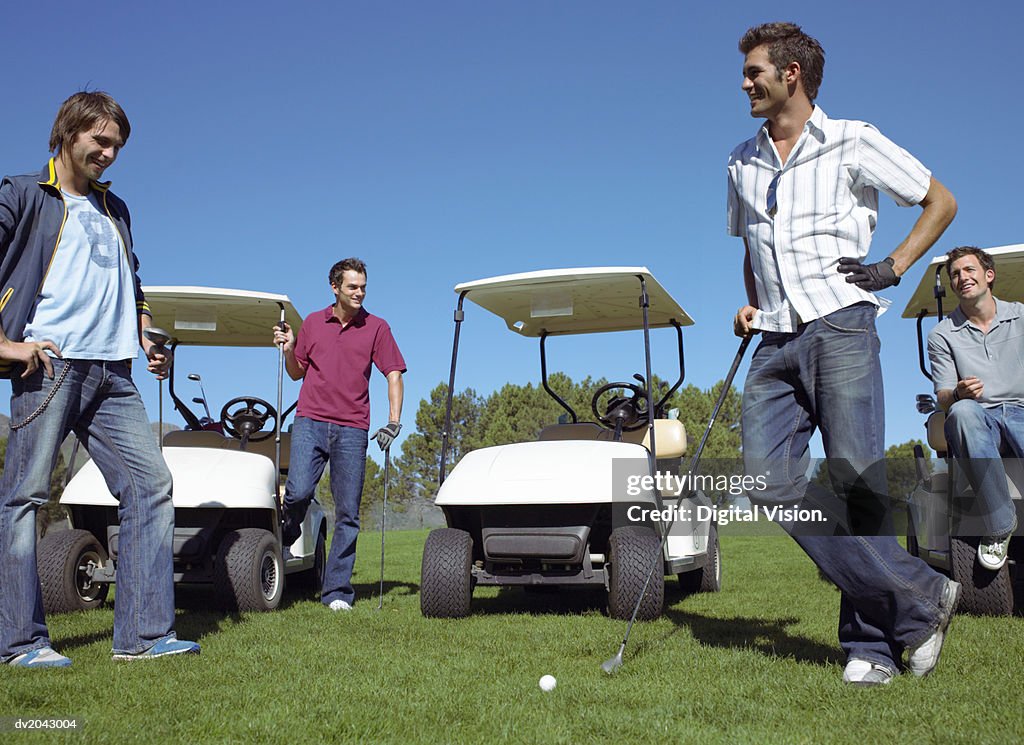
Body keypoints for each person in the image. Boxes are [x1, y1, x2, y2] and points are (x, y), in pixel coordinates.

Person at [727, 23, 959, 686]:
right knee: (768, 483)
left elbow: (939, 201)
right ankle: (922, 595)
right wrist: (752, 303)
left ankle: (873, 647)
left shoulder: (853, 138)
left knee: (856, 484)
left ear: (791, 73)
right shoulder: (740, 160)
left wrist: (891, 267)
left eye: (754, 72)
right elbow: (752, 248)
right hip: (773, 340)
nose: (744, 83)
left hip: (842, 325)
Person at [0, 91, 200, 667]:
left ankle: (141, 636)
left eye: (117, 145)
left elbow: (131, 280)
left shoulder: (117, 211)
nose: (109, 154)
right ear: (67, 132)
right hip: (50, 369)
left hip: (115, 372)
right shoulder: (21, 195)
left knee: (151, 487)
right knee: (24, 498)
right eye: (100, 141)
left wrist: (143, 333)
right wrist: (7, 345)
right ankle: (20, 643)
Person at [273, 258, 405, 611]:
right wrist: (288, 349)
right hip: (310, 421)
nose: (360, 292)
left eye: (363, 286)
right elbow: (296, 373)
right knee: (298, 492)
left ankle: (336, 592)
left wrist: (394, 421)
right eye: (352, 287)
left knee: (348, 513)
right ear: (335, 287)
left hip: (352, 428)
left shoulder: (377, 327)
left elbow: (393, 373)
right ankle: (282, 542)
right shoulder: (314, 324)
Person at [927, 246, 1021, 570]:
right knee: (962, 411)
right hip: (981, 419)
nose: (962, 277)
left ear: (988, 275)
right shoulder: (941, 334)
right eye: (955, 274)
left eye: (969, 270)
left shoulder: (1020, 316)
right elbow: (942, 396)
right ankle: (1000, 525)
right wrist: (958, 392)